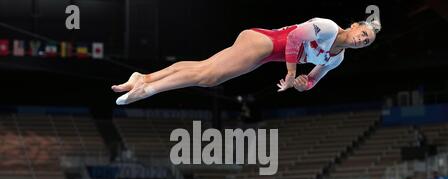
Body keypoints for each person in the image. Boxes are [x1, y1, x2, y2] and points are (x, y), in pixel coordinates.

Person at [113, 17, 381, 105]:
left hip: (266, 56)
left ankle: (144, 78)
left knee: (204, 68)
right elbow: (294, 40)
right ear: (355, 25)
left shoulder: (336, 59)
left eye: (367, 41)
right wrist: (290, 72)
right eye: (363, 33)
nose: (362, 39)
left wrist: (301, 83)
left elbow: (312, 81)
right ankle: (148, 91)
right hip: (263, 43)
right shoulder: (328, 27)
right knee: (209, 78)